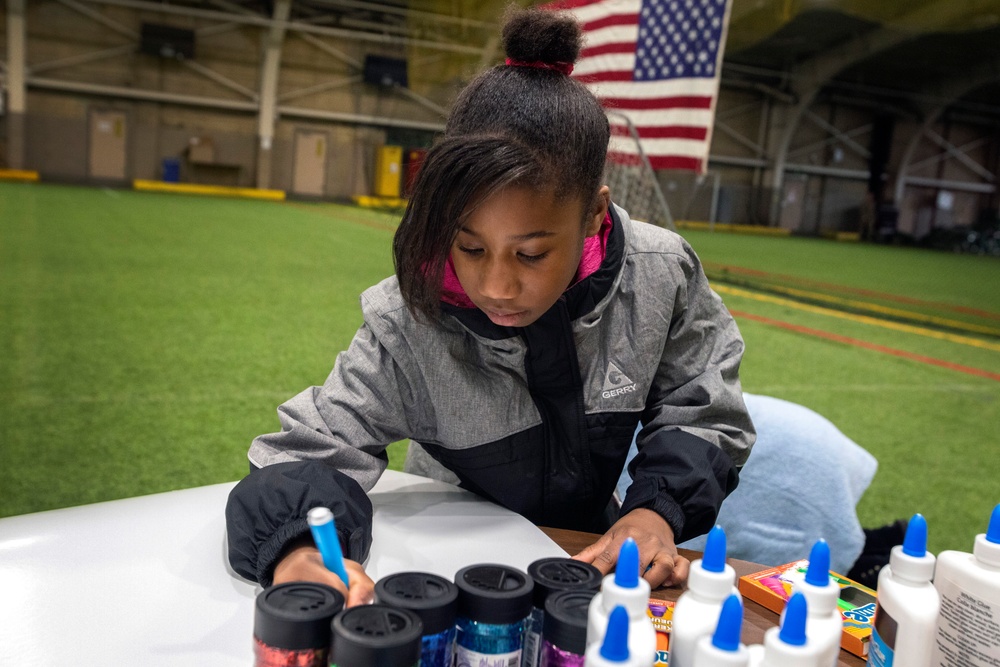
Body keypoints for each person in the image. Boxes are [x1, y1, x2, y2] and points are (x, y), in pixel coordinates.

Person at [225, 7, 755, 607]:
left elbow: (704, 407)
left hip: (586, 557)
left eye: (530, 254)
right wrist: (300, 552)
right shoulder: (410, 322)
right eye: (469, 246)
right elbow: (306, 452)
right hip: (448, 564)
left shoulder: (661, 275)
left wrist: (658, 511)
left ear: (594, 217)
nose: (497, 285)